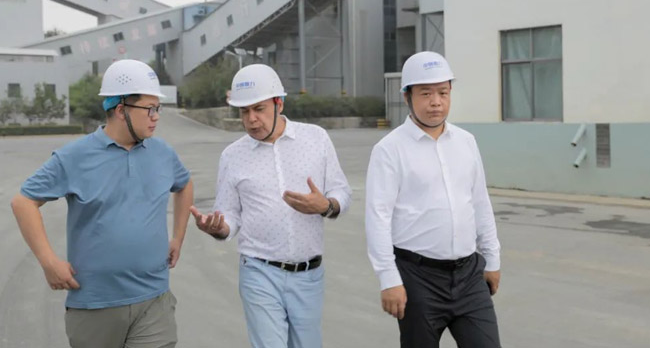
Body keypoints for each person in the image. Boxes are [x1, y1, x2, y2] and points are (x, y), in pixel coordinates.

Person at [11, 59, 194, 348]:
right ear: (121, 110)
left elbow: (184, 185)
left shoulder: (163, 153)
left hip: (154, 301)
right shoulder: (74, 157)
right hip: (95, 305)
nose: (156, 116)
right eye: (150, 108)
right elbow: (23, 202)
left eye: (158, 108)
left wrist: (178, 238)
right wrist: (49, 262)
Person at [190, 63, 351, 348]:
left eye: (259, 109)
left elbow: (341, 191)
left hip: (309, 276)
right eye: (244, 111)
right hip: (258, 271)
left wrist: (326, 205)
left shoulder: (316, 139)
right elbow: (230, 215)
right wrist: (219, 228)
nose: (251, 119)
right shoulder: (232, 156)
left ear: (279, 103)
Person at [365, 51, 501, 347]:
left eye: (443, 92)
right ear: (407, 97)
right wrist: (389, 279)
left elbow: (479, 202)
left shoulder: (466, 142)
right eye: (426, 93)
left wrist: (492, 259)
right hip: (418, 279)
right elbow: (378, 218)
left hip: (469, 276)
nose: (436, 102)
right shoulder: (390, 150)